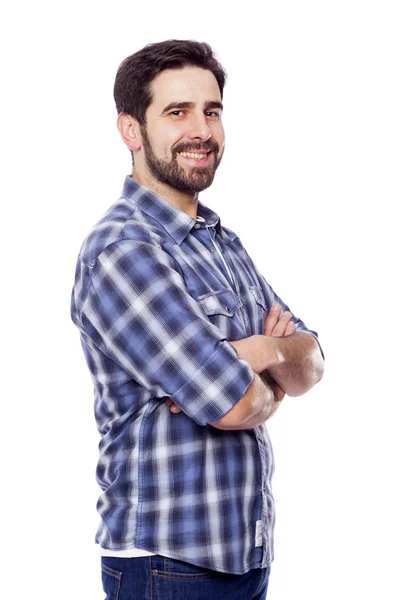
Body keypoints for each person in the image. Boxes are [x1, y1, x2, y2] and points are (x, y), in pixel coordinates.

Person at [70, 39, 324, 600]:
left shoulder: (219, 241)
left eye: (211, 111)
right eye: (177, 111)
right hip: (168, 564)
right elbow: (234, 403)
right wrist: (256, 379)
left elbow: (312, 363)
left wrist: (262, 354)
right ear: (131, 130)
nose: (201, 130)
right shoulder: (123, 249)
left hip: (244, 553)